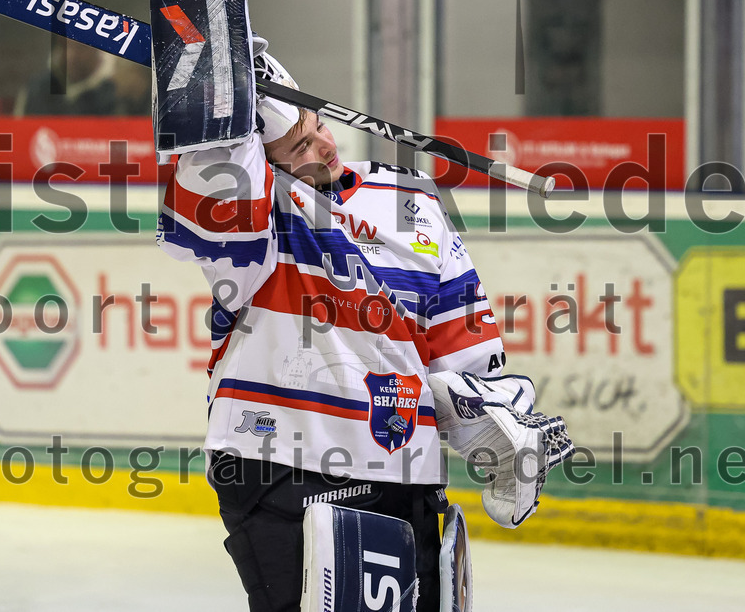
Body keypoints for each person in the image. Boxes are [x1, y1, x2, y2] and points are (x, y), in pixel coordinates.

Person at [156, 35, 513, 612]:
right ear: (261, 161)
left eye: (318, 125)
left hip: (404, 470)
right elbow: (209, 204)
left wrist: (501, 429)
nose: (323, 146)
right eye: (299, 144)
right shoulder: (257, 220)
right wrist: (215, 102)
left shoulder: (409, 200)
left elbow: (461, 334)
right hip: (278, 468)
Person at [15, 37, 151, 116]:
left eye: (80, 47)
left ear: (98, 49)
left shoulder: (121, 90)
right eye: (65, 47)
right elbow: (21, 136)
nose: (71, 55)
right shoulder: (38, 89)